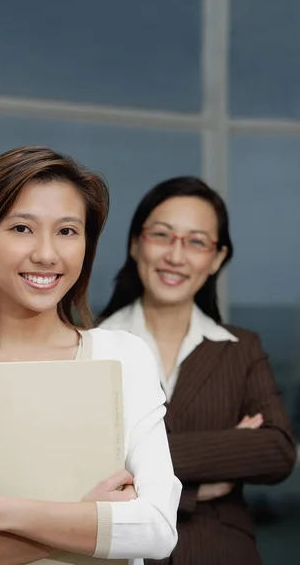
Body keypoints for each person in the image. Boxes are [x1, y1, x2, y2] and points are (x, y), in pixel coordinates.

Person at [0, 147, 181, 565]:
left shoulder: (124, 358)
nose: (47, 254)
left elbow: (156, 530)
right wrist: (88, 520)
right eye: (22, 228)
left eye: (67, 231)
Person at [99, 176, 297, 565]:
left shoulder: (242, 349)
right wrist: (208, 477)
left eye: (196, 241)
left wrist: (135, 465)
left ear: (217, 259)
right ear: (136, 244)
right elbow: (79, 468)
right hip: (122, 554)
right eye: (162, 235)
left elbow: (277, 451)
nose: (176, 255)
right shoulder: (90, 346)